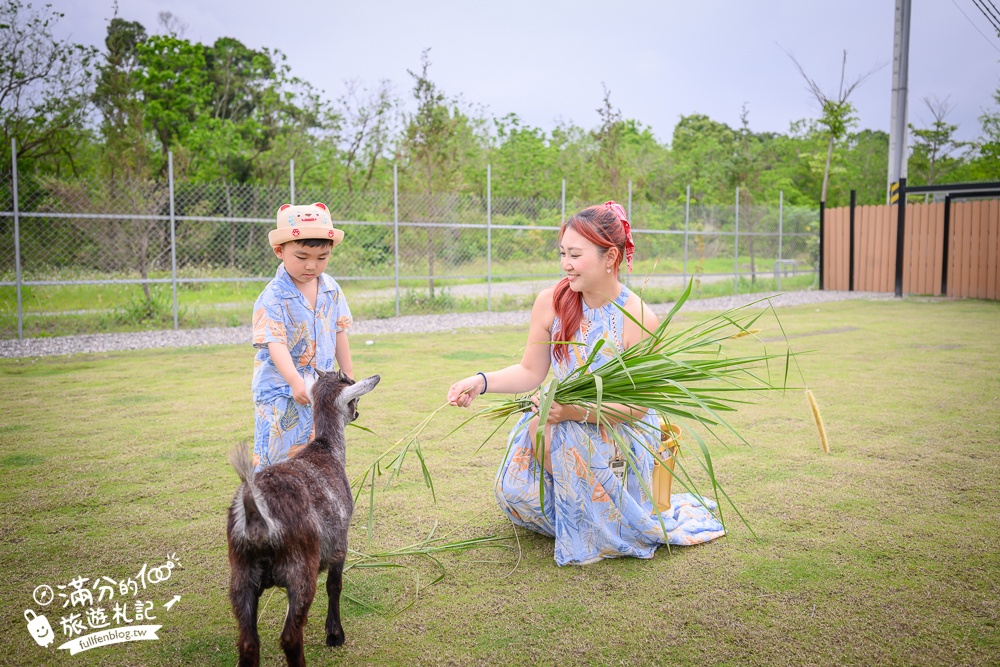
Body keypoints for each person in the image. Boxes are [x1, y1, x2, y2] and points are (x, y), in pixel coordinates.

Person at [447, 201, 725, 566]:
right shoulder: (551, 301)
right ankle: (584, 511)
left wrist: (572, 411)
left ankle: (604, 516)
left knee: (554, 431)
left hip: (619, 427)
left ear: (609, 256)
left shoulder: (638, 318)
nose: (565, 263)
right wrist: (479, 382)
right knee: (518, 488)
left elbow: (636, 407)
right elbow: (531, 372)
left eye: (575, 254)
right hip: (557, 418)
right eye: (563, 253)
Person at [251, 202, 354, 470]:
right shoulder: (273, 296)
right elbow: (276, 343)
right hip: (282, 393)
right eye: (301, 256)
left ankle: (306, 502)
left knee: (316, 449)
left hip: (320, 390)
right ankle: (266, 504)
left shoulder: (331, 289)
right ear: (279, 251)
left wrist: (348, 378)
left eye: (322, 258)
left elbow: (339, 331)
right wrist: (295, 382)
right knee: (277, 454)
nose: (311, 266)